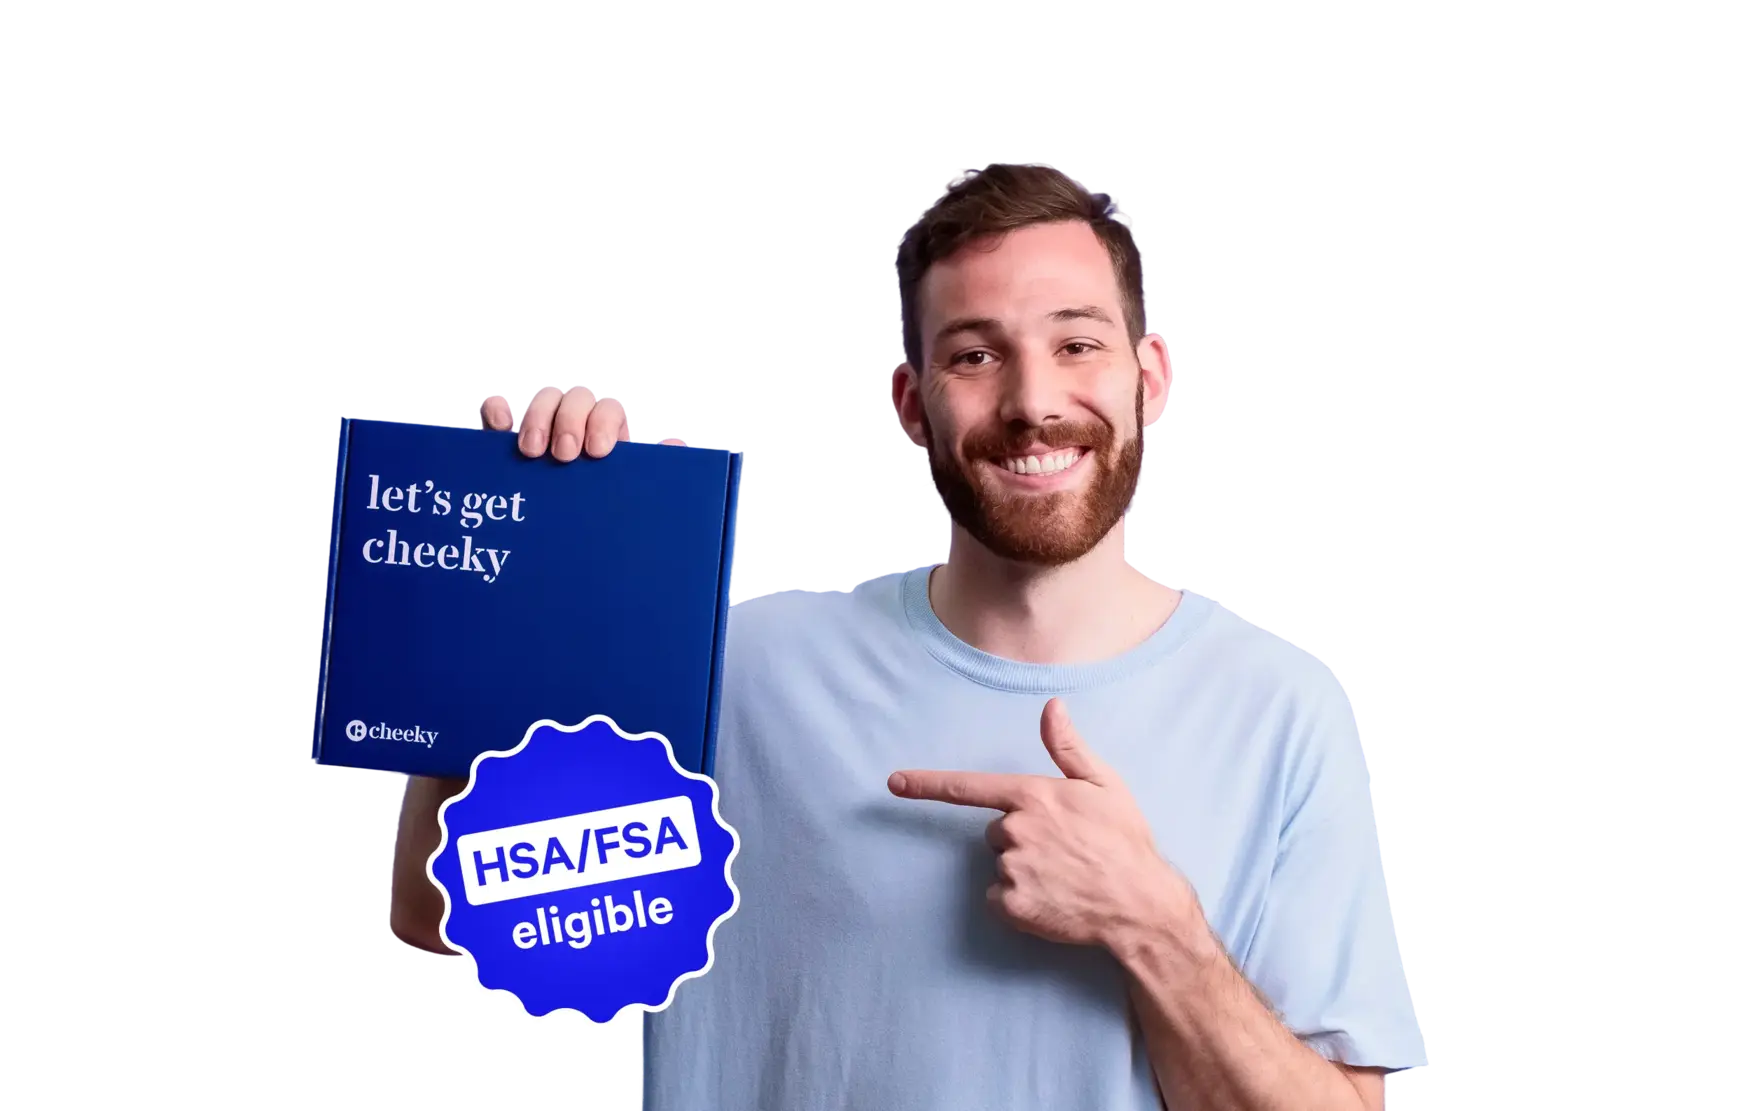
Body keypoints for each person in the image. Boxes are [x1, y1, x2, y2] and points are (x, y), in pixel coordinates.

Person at [388, 161, 1425, 1109]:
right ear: (908, 403)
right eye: (974, 355)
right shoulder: (735, 668)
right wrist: (516, 590)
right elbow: (442, 912)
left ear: (1151, 377)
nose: (1032, 403)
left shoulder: (1283, 702)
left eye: (1076, 343)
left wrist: (1149, 923)